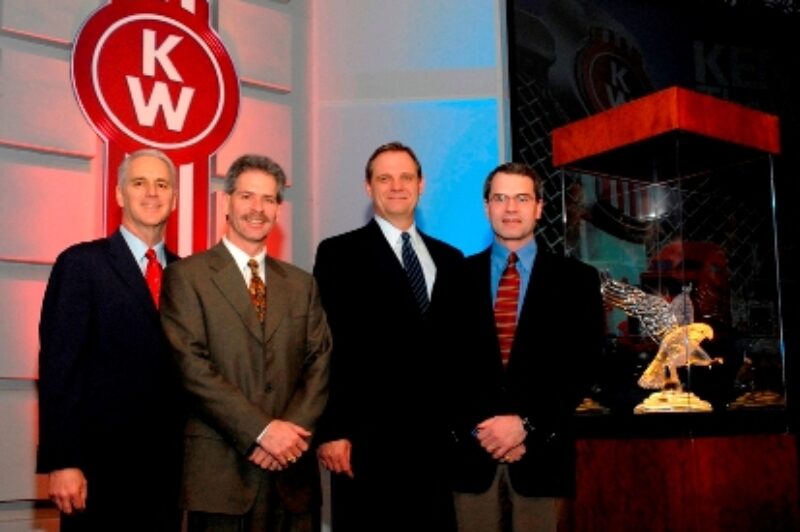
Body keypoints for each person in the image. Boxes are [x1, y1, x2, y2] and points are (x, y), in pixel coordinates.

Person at [160, 154, 331, 532]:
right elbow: (190, 367)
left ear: (278, 209)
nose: (258, 208)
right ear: (226, 202)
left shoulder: (302, 284)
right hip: (220, 475)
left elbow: (319, 363)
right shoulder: (186, 277)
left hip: (292, 474)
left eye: (268, 199)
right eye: (247, 196)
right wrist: (262, 431)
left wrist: (288, 434)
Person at [313, 141, 463, 531]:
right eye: (384, 178)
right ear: (368, 187)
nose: (397, 186)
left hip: (436, 447)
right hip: (365, 446)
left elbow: (458, 351)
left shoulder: (450, 259)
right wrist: (332, 430)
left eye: (406, 177)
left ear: (421, 184)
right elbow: (325, 348)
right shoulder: (338, 254)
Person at [449, 162, 604, 532]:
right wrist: (481, 431)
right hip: (472, 457)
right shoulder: (455, 277)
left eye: (521, 198)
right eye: (500, 198)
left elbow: (583, 367)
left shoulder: (578, 280)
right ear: (486, 207)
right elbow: (441, 364)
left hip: (543, 456)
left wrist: (527, 425)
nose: (510, 208)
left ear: (538, 207)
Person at [37, 148, 183, 531]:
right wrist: (63, 460)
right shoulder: (81, 264)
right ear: (119, 194)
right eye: (139, 183)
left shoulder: (189, 275)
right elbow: (59, 369)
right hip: (96, 473)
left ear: (174, 198)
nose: (151, 192)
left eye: (162, 184)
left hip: (169, 474)